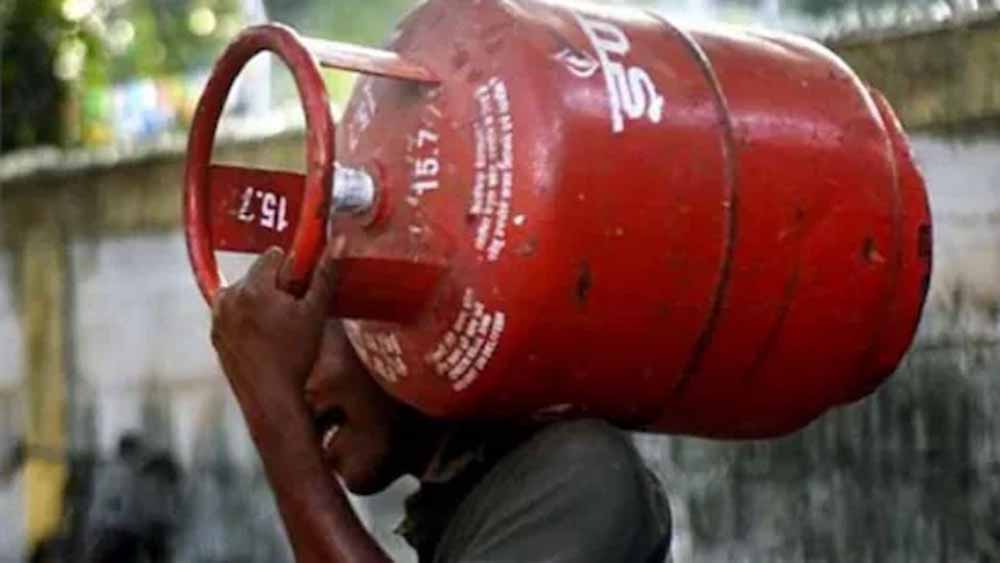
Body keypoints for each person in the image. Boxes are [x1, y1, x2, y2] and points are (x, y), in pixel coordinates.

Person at [210, 243, 672, 563]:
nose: (291, 385)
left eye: (298, 348)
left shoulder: (577, 470)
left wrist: (274, 410)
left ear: (393, 322)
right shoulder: (464, 506)